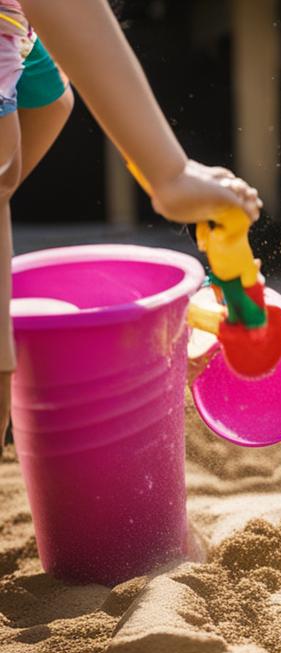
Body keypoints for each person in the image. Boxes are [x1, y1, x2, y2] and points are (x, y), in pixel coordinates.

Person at [0, 0, 263, 440]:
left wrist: (169, 170)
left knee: (43, 110)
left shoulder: (39, 82)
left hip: (31, 69)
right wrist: (168, 172)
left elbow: (52, 86)